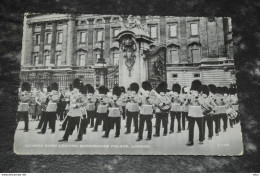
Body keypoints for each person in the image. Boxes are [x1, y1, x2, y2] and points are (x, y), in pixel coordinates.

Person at [186, 80, 204, 146]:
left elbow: (202, 103)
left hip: (199, 113)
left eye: (195, 91)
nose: (193, 92)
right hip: (191, 113)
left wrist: (197, 98)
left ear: (198, 91)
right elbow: (185, 104)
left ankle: (201, 139)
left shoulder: (201, 96)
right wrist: (188, 100)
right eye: (193, 90)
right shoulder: (190, 96)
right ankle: (190, 141)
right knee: (191, 128)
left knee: (200, 127)